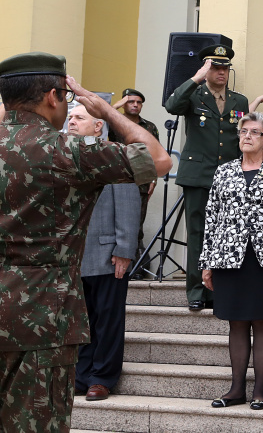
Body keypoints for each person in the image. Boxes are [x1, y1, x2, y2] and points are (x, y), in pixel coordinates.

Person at [0, 51, 169, 432]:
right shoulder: (68, 151)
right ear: (53, 97)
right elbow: (158, 159)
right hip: (40, 317)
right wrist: (106, 111)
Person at [200, 112, 263, 411]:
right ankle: (235, 390)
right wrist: (206, 260)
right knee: (237, 323)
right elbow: (211, 217)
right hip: (229, 256)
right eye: (244, 131)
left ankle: (259, 391)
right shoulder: (224, 171)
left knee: (262, 320)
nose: (247, 136)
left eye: (255, 132)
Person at [165, 44, 249, 311]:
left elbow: (241, 139)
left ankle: (219, 289)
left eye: (225, 67)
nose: (221, 72)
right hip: (198, 175)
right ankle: (197, 290)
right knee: (198, 234)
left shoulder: (240, 101)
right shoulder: (193, 95)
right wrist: (195, 78)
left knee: (226, 234)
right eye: (215, 67)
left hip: (229, 176)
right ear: (206, 68)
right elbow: (172, 105)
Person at [68, 105, 143, 403]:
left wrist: (124, 249)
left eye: (80, 118)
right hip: (74, 255)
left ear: (98, 126)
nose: (72, 122)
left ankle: (101, 378)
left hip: (107, 253)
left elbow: (127, 201)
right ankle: (80, 375)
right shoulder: (63, 154)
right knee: (80, 321)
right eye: (70, 117)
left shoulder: (113, 154)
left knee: (107, 319)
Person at [109, 88, 160, 264]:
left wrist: (154, 179)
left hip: (141, 179)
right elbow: (97, 124)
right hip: (116, 179)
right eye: (131, 102)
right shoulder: (114, 122)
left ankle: (137, 265)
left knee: (136, 223)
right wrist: (115, 107)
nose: (135, 105)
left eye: (138, 102)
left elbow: (156, 154)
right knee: (115, 222)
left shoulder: (149, 127)